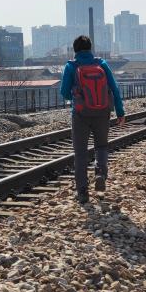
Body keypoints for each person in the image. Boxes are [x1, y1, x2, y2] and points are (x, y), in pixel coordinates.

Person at [60, 35, 125, 203]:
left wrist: (77, 97)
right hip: (102, 112)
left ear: (75, 50)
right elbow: (114, 88)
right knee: (101, 146)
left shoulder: (71, 66)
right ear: (90, 48)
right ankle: (100, 173)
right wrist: (120, 112)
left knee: (80, 152)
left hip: (80, 114)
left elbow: (64, 92)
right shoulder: (101, 64)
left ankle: (82, 192)